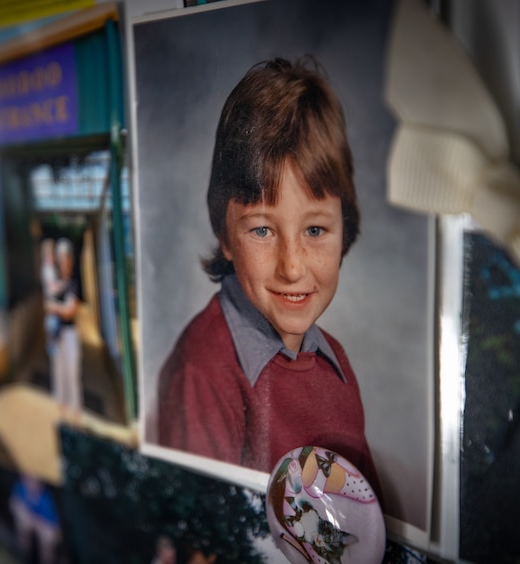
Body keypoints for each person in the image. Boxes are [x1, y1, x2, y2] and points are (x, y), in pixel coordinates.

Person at [157, 56, 381, 494]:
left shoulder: (336, 365)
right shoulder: (203, 375)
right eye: (262, 229)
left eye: (315, 230)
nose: (292, 267)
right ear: (225, 234)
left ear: (345, 230)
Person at [45, 238, 81, 423]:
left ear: (71, 260)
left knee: (72, 373)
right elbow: (46, 304)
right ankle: (62, 416)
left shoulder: (74, 283)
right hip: (56, 336)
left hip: (70, 335)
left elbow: (70, 312)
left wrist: (55, 307)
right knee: (58, 374)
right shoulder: (55, 282)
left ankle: (75, 416)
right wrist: (57, 307)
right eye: (61, 258)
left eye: (67, 258)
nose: (64, 261)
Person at [9, 474, 61, 564]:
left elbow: (54, 529)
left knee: (48, 538)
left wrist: (32, 520)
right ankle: (23, 557)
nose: (29, 481)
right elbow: (12, 503)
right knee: (22, 521)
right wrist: (22, 514)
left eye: (33, 479)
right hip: (29, 525)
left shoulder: (46, 499)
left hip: (44, 528)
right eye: (27, 477)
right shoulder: (20, 487)